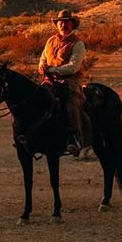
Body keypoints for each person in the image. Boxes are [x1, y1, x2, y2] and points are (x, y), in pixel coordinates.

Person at [38, 11, 88, 155]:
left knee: (70, 104)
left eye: (66, 22)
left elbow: (73, 66)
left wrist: (53, 69)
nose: (63, 24)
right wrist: (41, 65)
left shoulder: (78, 44)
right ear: (56, 24)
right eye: (60, 22)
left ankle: (75, 138)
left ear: (72, 24)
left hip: (69, 82)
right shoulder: (50, 41)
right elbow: (43, 58)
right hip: (49, 81)